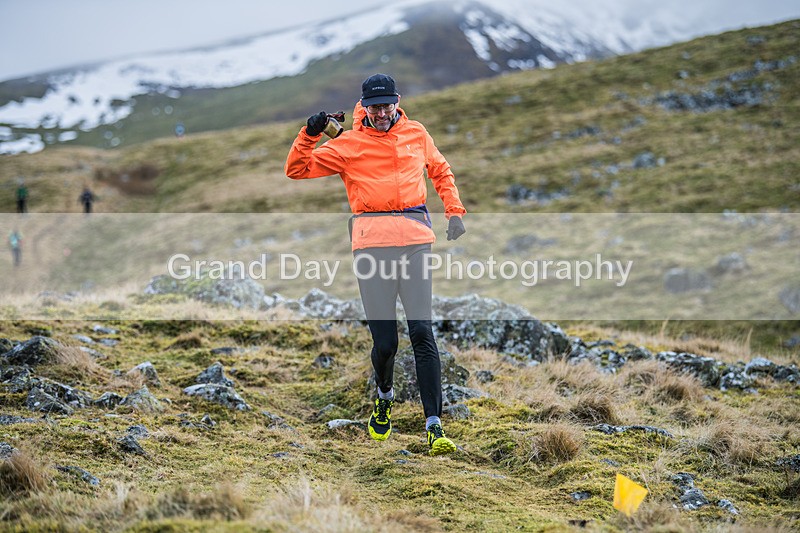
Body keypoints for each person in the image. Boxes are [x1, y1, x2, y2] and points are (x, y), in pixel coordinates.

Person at [285, 73, 467, 456]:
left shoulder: (417, 133)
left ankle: (434, 425)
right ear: (363, 108)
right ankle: (384, 397)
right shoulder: (348, 144)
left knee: (422, 332)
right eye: (375, 106)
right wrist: (310, 133)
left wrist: (454, 211)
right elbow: (297, 169)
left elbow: (440, 170)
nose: (382, 113)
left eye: (388, 105)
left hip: (416, 241)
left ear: (397, 102)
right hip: (372, 248)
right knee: (386, 342)